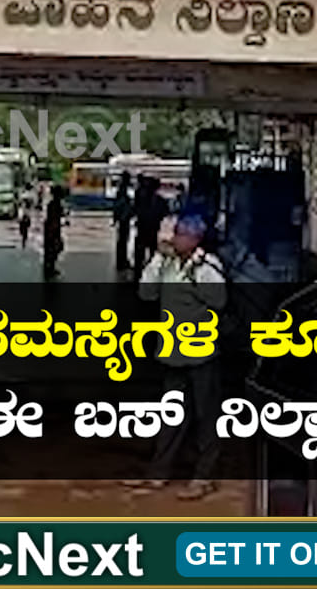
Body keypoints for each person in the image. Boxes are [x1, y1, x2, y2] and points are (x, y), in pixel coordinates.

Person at [127, 212, 227, 500]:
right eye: (174, 234)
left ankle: (204, 477)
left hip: (201, 353)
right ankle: (158, 474)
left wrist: (194, 274)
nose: (173, 239)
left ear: (194, 239)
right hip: (172, 353)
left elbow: (219, 301)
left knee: (206, 416)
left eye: (180, 235)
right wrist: (157, 259)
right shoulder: (167, 264)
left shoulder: (207, 267)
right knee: (172, 416)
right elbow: (146, 294)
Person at [133, 176, 166, 282]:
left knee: (139, 254)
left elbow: (135, 211)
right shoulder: (160, 200)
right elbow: (163, 214)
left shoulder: (140, 198)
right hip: (153, 230)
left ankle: (138, 275)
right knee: (153, 254)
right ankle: (151, 275)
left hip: (142, 230)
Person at [43, 185, 66, 280]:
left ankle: (49, 268)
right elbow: (54, 218)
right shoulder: (55, 204)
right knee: (54, 248)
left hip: (51, 229)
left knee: (52, 249)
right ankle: (49, 269)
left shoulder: (53, 203)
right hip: (52, 230)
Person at [112, 171, 133, 274]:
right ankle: (122, 261)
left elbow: (116, 206)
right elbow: (122, 205)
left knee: (122, 240)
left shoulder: (120, 190)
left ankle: (121, 260)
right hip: (124, 219)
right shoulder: (124, 191)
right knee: (123, 240)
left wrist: (115, 218)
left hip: (122, 219)